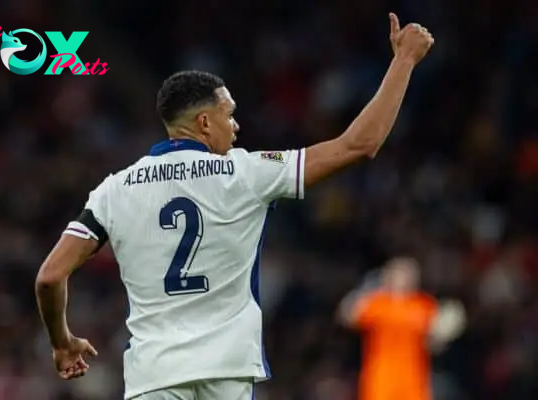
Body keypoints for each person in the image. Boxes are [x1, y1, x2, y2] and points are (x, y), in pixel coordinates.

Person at [35, 13, 434, 400]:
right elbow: (358, 144)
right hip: (226, 371)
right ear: (205, 123)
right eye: (230, 115)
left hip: (153, 374)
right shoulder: (246, 172)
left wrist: (62, 341)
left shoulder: (114, 190)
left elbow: (50, 277)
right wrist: (404, 61)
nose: (237, 126)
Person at [338, 257, 466, 400]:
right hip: (381, 379)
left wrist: (443, 334)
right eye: (401, 273)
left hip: (413, 379)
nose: (405, 278)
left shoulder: (425, 305)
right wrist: (366, 289)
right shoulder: (377, 303)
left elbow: (434, 344)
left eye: (410, 274)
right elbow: (347, 317)